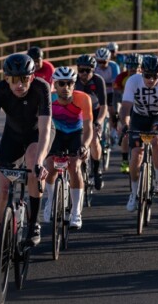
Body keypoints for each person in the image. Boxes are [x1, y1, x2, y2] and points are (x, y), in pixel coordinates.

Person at [0, 53, 51, 268]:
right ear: (6, 78)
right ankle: (2, 242)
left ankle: (34, 223)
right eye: (14, 79)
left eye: (24, 79)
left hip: (37, 134)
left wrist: (40, 161)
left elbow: (45, 128)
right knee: (3, 187)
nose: (19, 85)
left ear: (32, 77)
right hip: (13, 135)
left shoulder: (41, 88)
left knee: (33, 162)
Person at [118, 55, 158, 211]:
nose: (151, 80)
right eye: (147, 76)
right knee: (136, 152)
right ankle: (133, 192)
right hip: (138, 117)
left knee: (157, 141)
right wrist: (125, 124)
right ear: (141, 72)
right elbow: (125, 107)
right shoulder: (133, 81)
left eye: (155, 76)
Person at [43, 67, 92, 229]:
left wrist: (85, 146)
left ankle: (76, 212)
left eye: (70, 83)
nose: (66, 87)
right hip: (55, 134)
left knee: (74, 167)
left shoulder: (83, 98)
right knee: (50, 167)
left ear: (74, 84)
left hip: (75, 134)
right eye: (61, 84)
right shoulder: (48, 98)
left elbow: (88, 127)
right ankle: (51, 200)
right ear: (54, 85)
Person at [74, 54, 109, 186]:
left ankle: (96, 169)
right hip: (78, 113)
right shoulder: (73, 80)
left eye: (87, 70)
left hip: (95, 112)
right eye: (81, 70)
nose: (84, 73)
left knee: (94, 139)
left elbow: (104, 106)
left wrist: (98, 122)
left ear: (93, 70)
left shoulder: (98, 80)